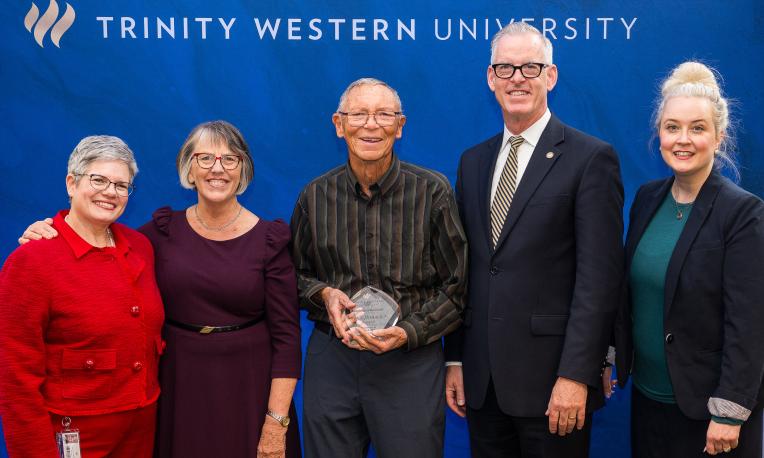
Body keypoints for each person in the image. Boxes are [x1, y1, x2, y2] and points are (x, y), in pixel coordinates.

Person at [17, 121, 302, 458]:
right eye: (205, 158)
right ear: (189, 169)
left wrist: (275, 422)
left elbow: (287, 338)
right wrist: (51, 232)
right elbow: (100, 240)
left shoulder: (269, 240)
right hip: (177, 391)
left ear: (243, 171)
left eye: (230, 159)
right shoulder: (158, 234)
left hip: (247, 391)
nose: (217, 169)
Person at [443, 22, 624, 457]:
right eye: (505, 68)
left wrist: (577, 374)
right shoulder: (473, 162)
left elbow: (599, 279)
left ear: (551, 76)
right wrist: (455, 358)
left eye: (530, 67)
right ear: (491, 79)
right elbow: (465, 269)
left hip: (553, 385)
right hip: (483, 383)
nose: (517, 78)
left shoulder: (590, 158)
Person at [291, 77, 468, 458]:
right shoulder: (314, 196)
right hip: (333, 360)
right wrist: (323, 294)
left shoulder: (433, 192)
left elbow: (457, 289)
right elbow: (294, 275)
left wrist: (407, 332)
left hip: (409, 362)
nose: (371, 125)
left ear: (400, 125)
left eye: (383, 114)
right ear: (339, 124)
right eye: (359, 114)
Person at [613, 61, 764, 457]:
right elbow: (632, 295)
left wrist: (730, 412)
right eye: (672, 127)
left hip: (711, 412)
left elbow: (749, 323)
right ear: (659, 134)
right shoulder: (647, 198)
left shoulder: (743, 213)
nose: (683, 139)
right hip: (649, 399)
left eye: (698, 128)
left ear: (719, 137)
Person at [0, 135, 164, 457]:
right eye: (99, 179)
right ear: (71, 183)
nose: (110, 192)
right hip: (74, 434)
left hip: (141, 428)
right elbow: (15, 380)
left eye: (121, 185)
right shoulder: (32, 261)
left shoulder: (140, 246)